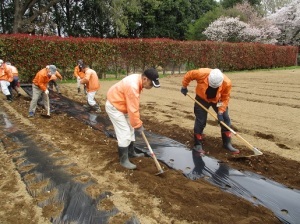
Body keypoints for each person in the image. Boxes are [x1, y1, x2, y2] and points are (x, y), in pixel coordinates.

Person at [105, 68, 160, 170]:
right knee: (124, 132)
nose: (151, 87)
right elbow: (133, 109)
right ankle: (123, 160)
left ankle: (131, 152)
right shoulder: (133, 87)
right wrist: (138, 124)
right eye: (151, 84)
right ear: (145, 79)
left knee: (130, 129)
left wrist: (135, 124)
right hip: (115, 106)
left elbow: (132, 107)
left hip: (122, 105)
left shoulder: (138, 79)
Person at [181, 68, 240, 155]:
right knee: (201, 121)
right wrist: (184, 86)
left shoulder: (226, 83)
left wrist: (220, 113)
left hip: (218, 101)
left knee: (225, 119)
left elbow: (225, 98)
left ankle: (227, 144)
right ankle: (198, 144)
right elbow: (189, 75)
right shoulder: (201, 73)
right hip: (201, 98)